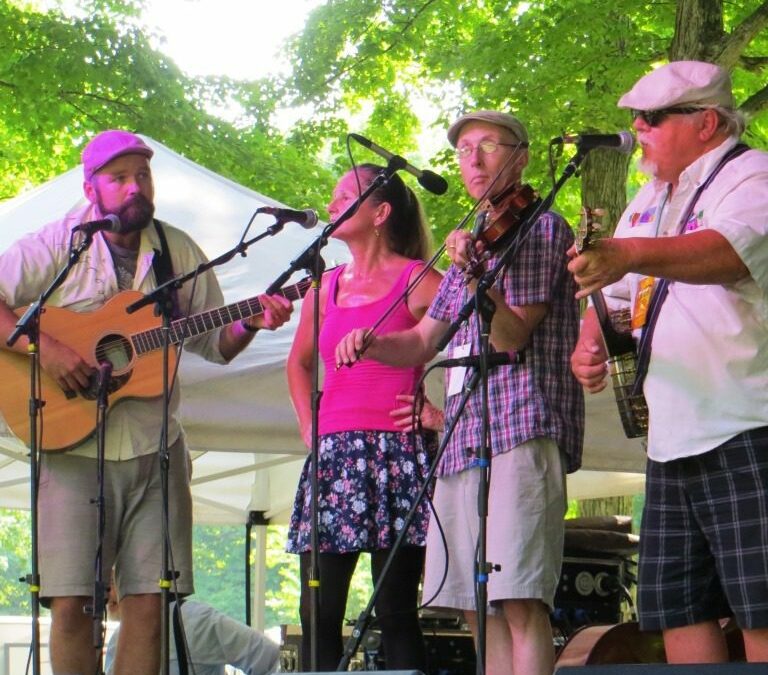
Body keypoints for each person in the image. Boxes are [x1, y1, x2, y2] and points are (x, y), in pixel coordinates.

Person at [0, 129, 293, 675]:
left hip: (156, 451)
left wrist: (251, 322)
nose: (135, 187)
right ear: (92, 188)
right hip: (72, 452)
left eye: (142, 175)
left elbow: (216, 344)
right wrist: (50, 349)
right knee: (72, 606)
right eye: (119, 178)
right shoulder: (53, 245)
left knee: (151, 604)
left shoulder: (175, 250)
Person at [336, 111, 585, 675]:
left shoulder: (543, 227)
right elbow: (424, 339)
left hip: (522, 427)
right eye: (463, 149)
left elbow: (512, 334)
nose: (471, 160)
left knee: (519, 598)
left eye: (487, 146)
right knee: (474, 606)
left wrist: (473, 277)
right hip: (463, 434)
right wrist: (372, 343)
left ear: (520, 157)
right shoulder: (470, 241)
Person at [569, 60, 768, 664]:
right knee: (678, 611)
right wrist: (590, 339)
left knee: (761, 604)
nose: (637, 127)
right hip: (668, 436)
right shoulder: (650, 198)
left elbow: (728, 252)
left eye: (652, 117)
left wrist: (626, 253)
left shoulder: (751, 175)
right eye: (635, 116)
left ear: (706, 122)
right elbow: (614, 293)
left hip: (745, 423)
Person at [285, 163, 443, 670]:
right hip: (333, 455)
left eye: (345, 195)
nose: (332, 206)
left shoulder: (415, 277)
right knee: (319, 609)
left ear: (380, 212)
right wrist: (307, 423)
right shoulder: (323, 286)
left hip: (397, 451)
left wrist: (436, 414)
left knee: (396, 609)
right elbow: (300, 361)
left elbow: (475, 337)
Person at [104, 576, 280, 675]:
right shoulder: (117, 639)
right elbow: (270, 659)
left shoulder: (198, 621)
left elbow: (270, 657)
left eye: (113, 581)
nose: (107, 592)